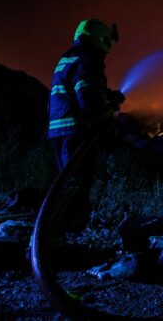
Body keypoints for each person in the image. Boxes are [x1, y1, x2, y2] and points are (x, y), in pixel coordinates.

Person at [47, 18, 125, 230]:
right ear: (100, 39)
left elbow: (80, 89)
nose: (108, 50)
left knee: (68, 182)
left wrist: (107, 95)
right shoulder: (90, 58)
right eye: (108, 43)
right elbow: (89, 100)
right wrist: (109, 109)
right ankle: (59, 232)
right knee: (76, 184)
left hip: (61, 130)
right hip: (76, 131)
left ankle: (63, 229)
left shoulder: (69, 57)